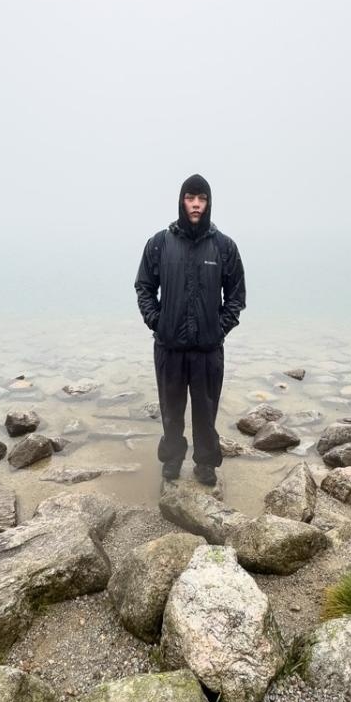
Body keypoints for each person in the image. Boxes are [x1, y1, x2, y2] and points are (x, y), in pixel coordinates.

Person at [135, 175, 246, 485]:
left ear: (208, 203)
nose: (196, 204)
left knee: (205, 414)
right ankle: (172, 458)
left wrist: (219, 327)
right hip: (169, 348)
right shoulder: (159, 244)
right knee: (171, 412)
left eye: (202, 198)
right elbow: (144, 286)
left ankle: (205, 464)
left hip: (208, 351)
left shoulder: (224, 247)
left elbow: (236, 296)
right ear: (181, 201)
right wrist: (157, 320)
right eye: (190, 198)